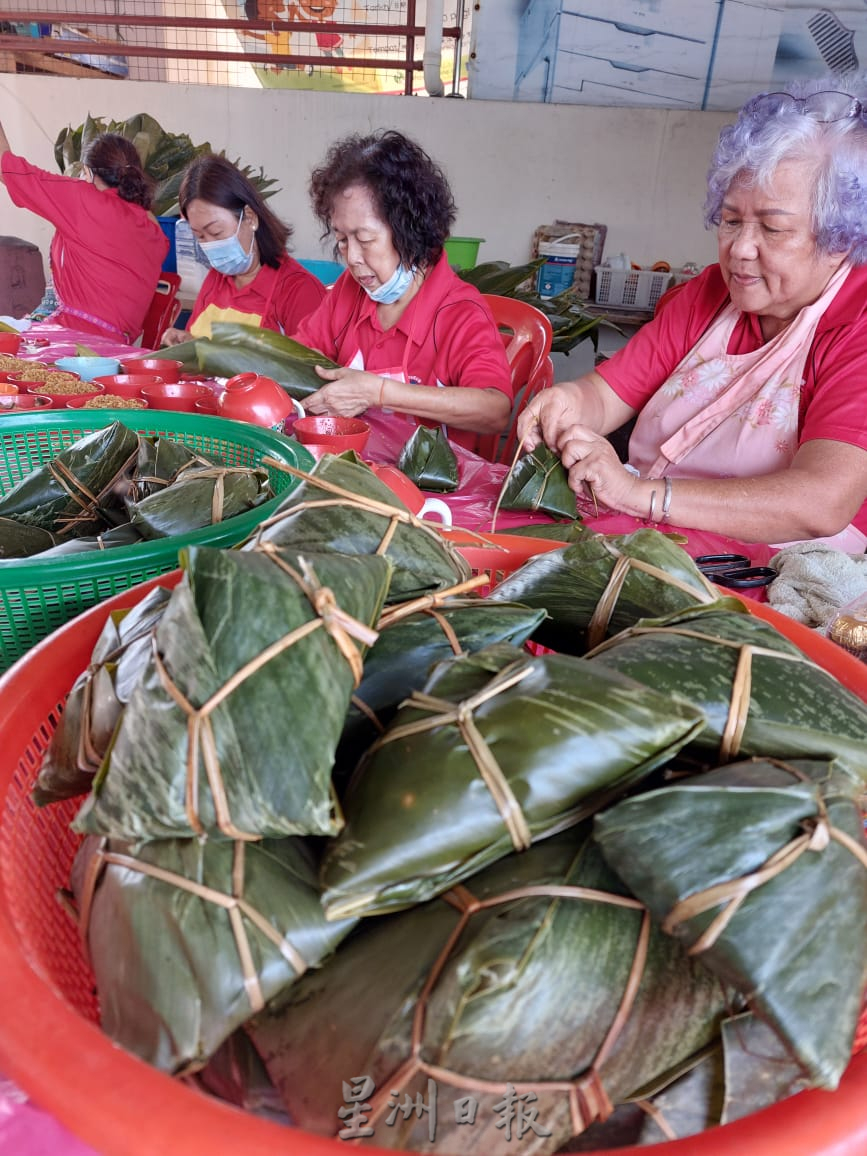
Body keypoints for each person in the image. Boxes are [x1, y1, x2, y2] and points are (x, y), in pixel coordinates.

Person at [518, 77, 867, 552]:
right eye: (730, 220)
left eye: (773, 228)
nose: (740, 249)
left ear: (840, 238)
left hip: (769, 574)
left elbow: (821, 502)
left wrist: (641, 494)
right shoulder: (706, 294)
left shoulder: (857, 324)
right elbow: (605, 395)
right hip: (652, 541)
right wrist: (567, 402)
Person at [291, 130, 513, 454]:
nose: (352, 258)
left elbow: (495, 411)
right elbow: (295, 359)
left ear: (409, 230)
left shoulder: (460, 312)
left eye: (365, 240)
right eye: (342, 240)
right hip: (348, 477)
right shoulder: (347, 292)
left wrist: (379, 392)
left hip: (431, 498)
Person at [0, 127, 168, 344]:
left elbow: (7, 168)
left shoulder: (83, 200)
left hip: (72, 341)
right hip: (117, 347)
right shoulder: (152, 227)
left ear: (87, 173)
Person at [161, 154, 325, 345]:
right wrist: (186, 341)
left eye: (216, 232)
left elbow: (307, 369)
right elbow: (202, 347)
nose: (210, 244)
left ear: (250, 217)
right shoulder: (216, 279)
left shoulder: (299, 290)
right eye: (199, 236)